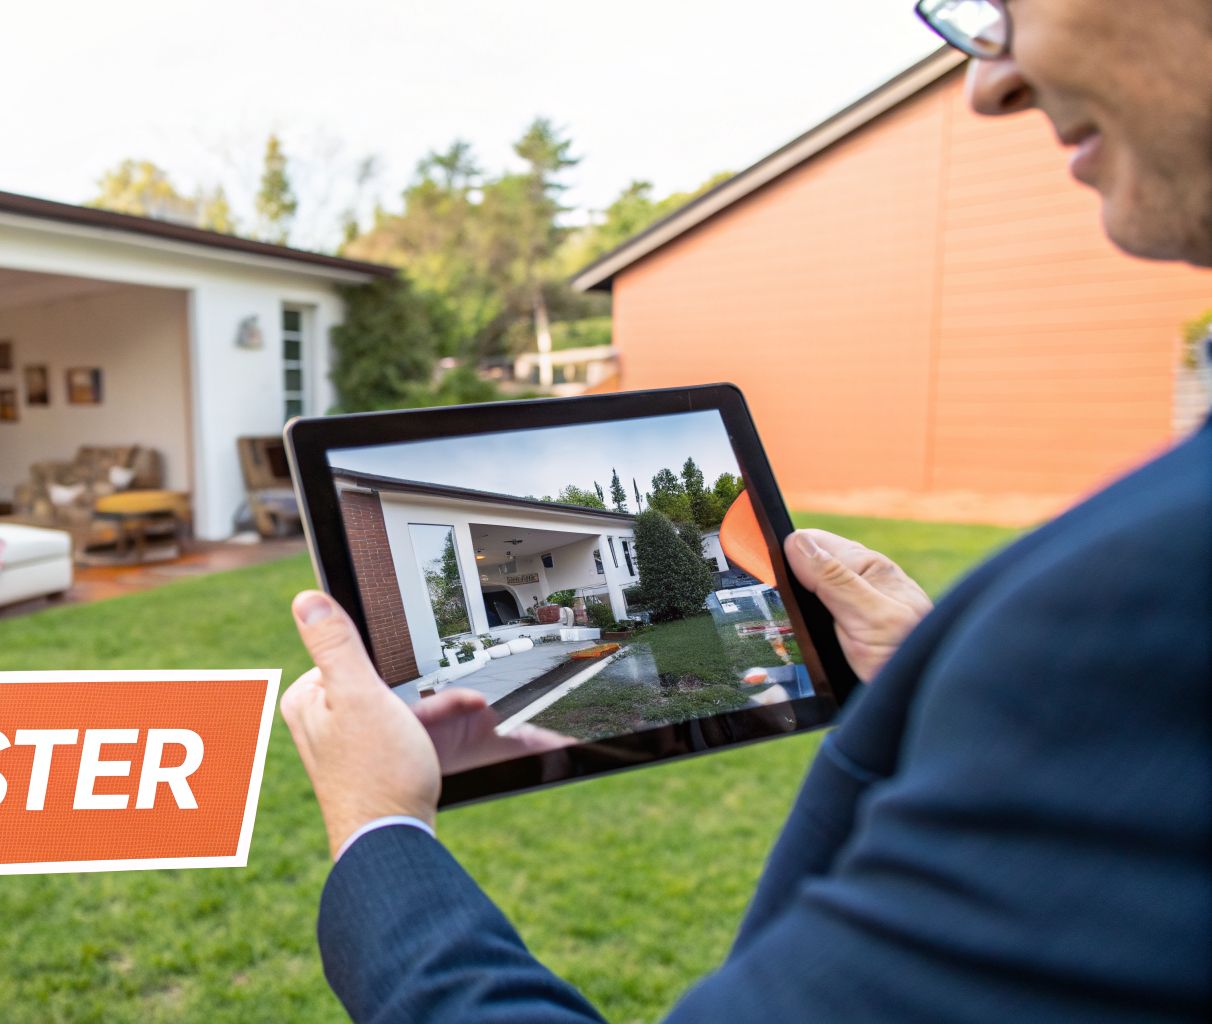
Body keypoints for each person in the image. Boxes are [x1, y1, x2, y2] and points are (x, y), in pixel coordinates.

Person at [280, 1, 1212, 1020]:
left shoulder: (1153, 594)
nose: (986, 80)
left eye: (1009, 6)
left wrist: (377, 829)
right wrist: (926, 684)